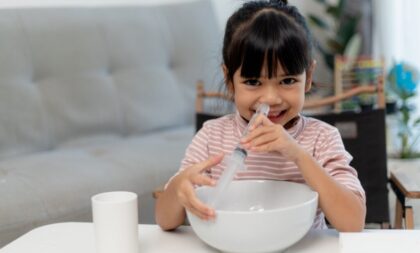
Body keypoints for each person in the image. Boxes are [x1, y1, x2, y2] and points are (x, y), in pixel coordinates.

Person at [155, 0, 366, 232]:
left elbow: (353, 222)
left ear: (308, 75)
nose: (270, 99)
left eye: (287, 81)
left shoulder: (322, 139)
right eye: (253, 82)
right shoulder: (211, 137)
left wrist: (299, 155)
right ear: (229, 79)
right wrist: (178, 189)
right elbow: (165, 220)